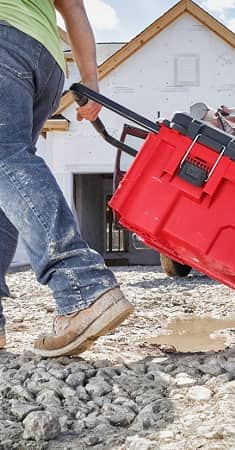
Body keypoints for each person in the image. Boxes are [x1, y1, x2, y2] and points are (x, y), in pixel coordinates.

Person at [0, 0, 134, 357]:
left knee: (4, 157)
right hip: (45, 58)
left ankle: (82, 287)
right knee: (7, 179)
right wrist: (90, 80)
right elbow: (72, 6)